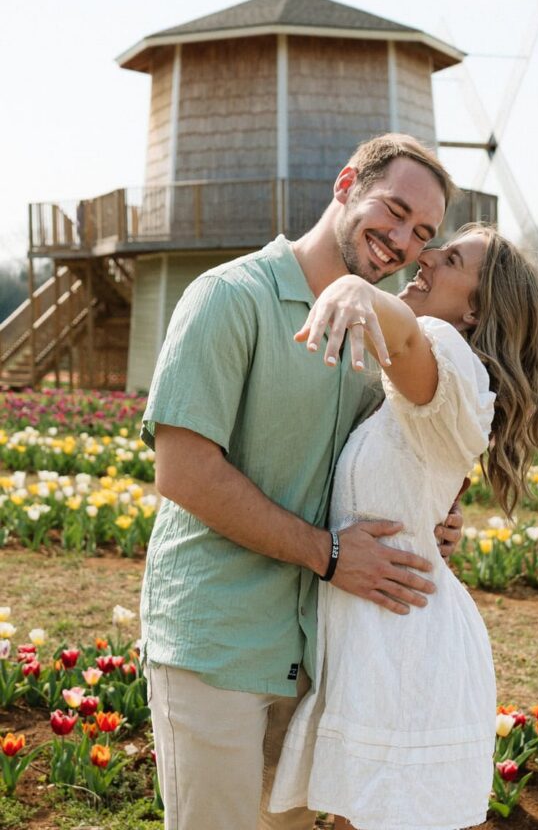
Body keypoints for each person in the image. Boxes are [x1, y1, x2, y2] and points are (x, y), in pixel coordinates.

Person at [140, 134, 466, 830]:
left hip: (320, 652)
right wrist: (332, 554)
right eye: (394, 210)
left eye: (424, 233)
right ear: (347, 183)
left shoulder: (378, 339)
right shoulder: (230, 298)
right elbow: (184, 470)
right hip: (216, 641)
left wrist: (427, 515)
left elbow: (368, 469)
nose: (402, 240)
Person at [269, 224, 538, 830]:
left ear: (477, 308)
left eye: (450, 258)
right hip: (381, 646)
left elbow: (403, 333)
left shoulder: (447, 355)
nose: (424, 256)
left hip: (406, 662)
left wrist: (355, 286)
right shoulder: (427, 383)